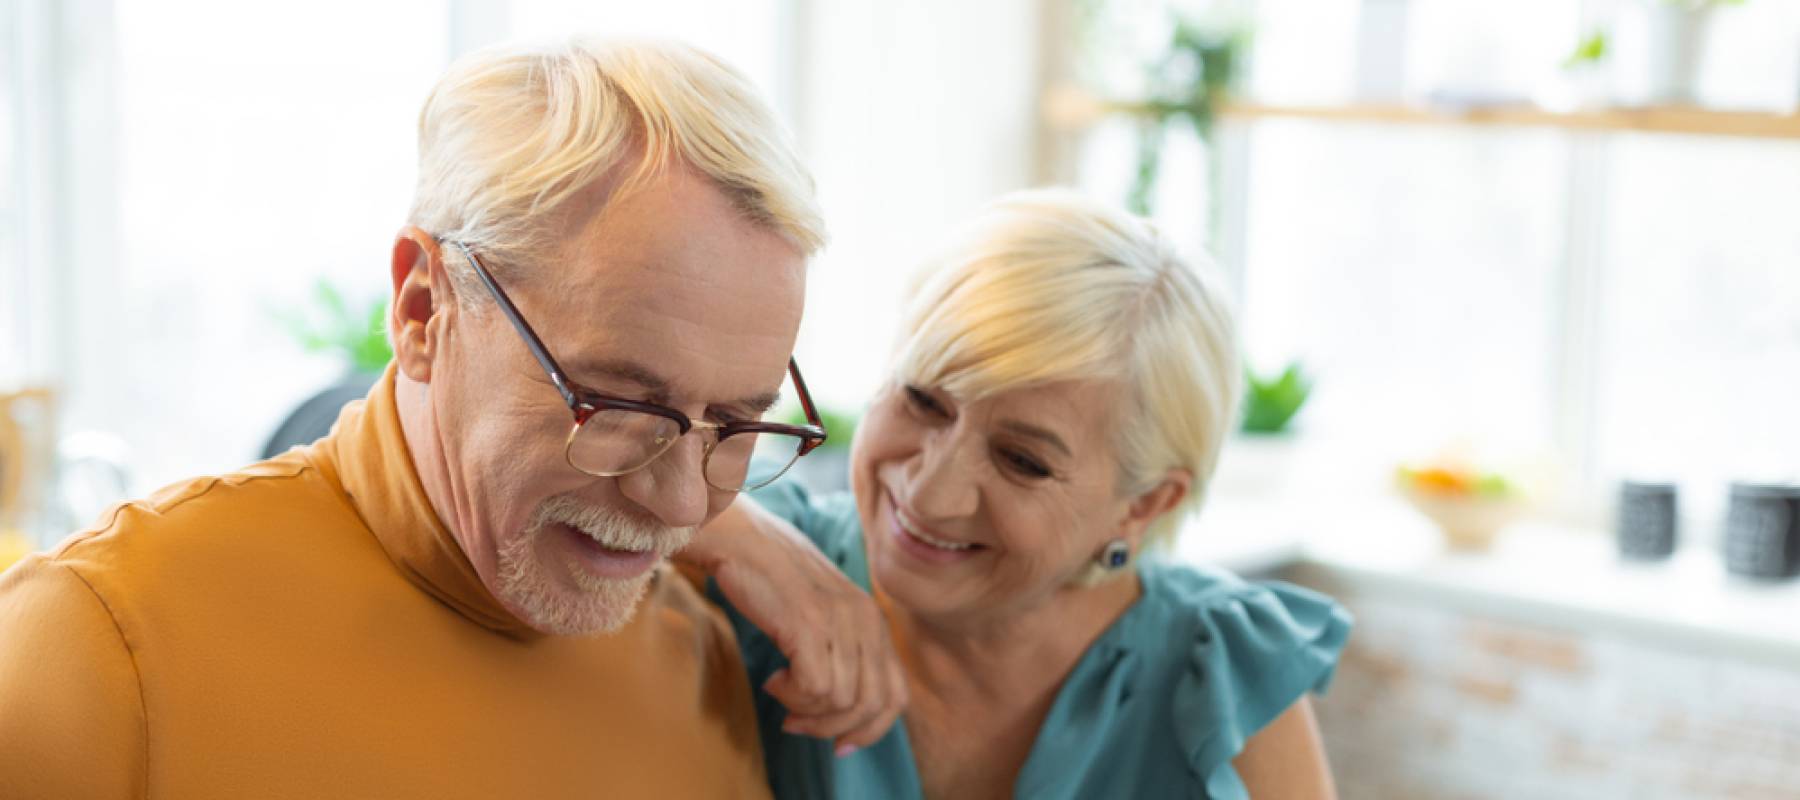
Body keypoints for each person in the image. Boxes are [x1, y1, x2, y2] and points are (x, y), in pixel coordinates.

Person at [0, 37, 901, 798]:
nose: (676, 505)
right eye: (621, 403)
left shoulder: (718, 655)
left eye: (736, 424)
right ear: (424, 307)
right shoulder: (98, 651)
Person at [689, 189, 1354, 799]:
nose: (930, 491)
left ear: (1146, 504)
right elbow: (616, 482)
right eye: (921, 401)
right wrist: (741, 533)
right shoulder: (758, 560)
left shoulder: (1221, 675)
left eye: (1022, 461)